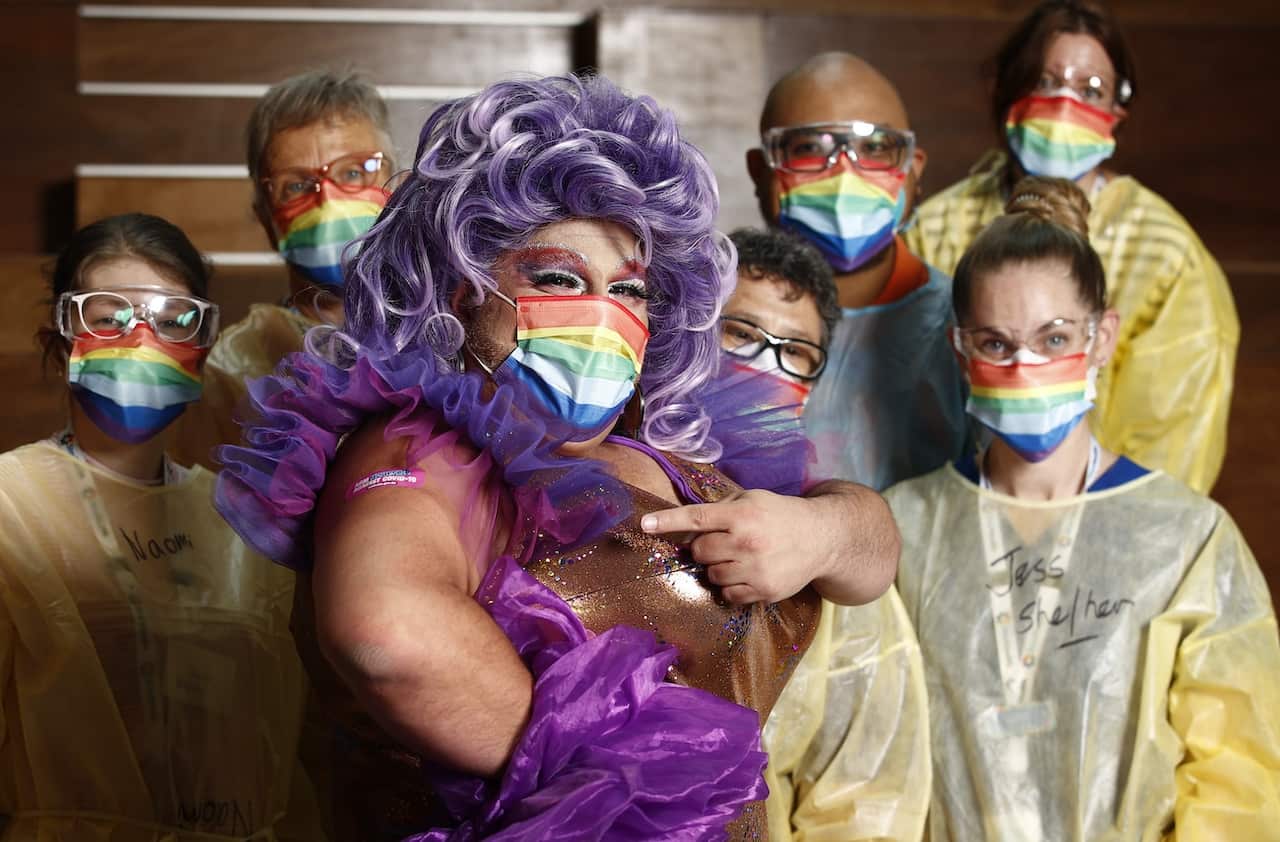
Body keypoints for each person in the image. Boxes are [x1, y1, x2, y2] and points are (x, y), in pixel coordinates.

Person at [215, 74, 902, 840]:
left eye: (630, 290)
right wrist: (624, 793)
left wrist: (827, 530)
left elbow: (871, 554)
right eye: (555, 278)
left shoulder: (663, 444)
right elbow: (384, 634)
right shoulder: (421, 444)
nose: (602, 315)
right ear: (463, 288)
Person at [892, 176, 1280, 841]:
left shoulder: (1186, 540)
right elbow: (869, 761)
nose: (1025, 366)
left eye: (1054, 338)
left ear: (1102, 337)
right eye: (995, 343)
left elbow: (1238, 781)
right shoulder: (904, 527)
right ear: (961, 351)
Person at [0, 213, 322, 840]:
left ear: (202, 349)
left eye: (174, 320)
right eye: (108, 315)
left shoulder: (239, 523)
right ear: (62, 336)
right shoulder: (12, 506)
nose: (140, 337)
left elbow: (286, 743)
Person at [906, 0, 1238, 494]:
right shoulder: (935, 227)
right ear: (1006, 88)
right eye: (1043, 81)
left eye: (1091, 89)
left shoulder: (1167, 255)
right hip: (953, 507)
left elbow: (1172, 441)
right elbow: (906, 397)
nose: (1065, 104)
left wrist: (1100, 528)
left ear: (1117, 110)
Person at [721, 228, 932, 840]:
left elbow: (865, 801)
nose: (765, 365)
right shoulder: (600, 480)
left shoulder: (826, 554)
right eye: (739, 333)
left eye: (796, 354)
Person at [746, 51, 968, 491]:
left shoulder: (962, 327)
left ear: (912, 171)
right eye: (810, 149)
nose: (846, 176)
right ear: (761, 171)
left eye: (875, 149)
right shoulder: (710, 321)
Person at [173, 70, 396, 469]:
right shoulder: (232, 371)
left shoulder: (453, 328)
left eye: (352, 172)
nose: (327, 200)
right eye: (295, 186)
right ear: (266, 220)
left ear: (395, 188)